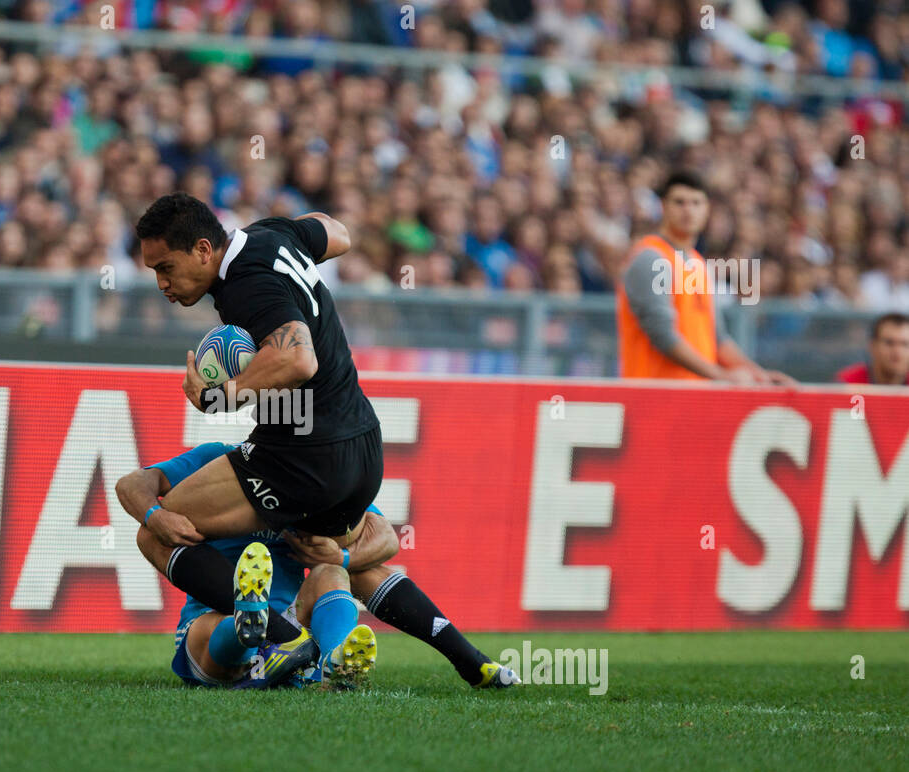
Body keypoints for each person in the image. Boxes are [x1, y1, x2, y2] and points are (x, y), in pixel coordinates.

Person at [133, 193, 382, 657]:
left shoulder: (243, 285)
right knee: (346, 563)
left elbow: (297, 358)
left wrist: (220, 397)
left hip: (306, 450)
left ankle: (281, 638)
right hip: (364, 446)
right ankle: (466, 661)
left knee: (158, 531)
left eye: (166, 267)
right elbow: (339, 233)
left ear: (204, 250)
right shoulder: (272, 235)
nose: (161, 283)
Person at [118, 442, 521, 689]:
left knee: (336, 571)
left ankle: (333, 660)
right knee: (214, 627)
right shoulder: (216, 463)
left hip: (293, 627)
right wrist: (156, 516)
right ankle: (253, 622)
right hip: (213, 620)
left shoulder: (309, 483)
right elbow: (131, 484)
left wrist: (340, 556)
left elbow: (385, 538)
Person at [617, 172, 793, 385]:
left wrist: (759, 375)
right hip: (654, 396)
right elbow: (662, 335)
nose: (688, 210)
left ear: (707, 209)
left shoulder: (698, 265)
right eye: (679, 202)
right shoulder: (650, 257)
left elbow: (717, 339)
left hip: (694, 397)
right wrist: (720, 375)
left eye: (696, 203)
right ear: (663, 206)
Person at [835, 313, 909, 385]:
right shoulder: (847, 383)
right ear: (872, 346)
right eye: (889, 343)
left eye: (905, 344)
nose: (897, 351)